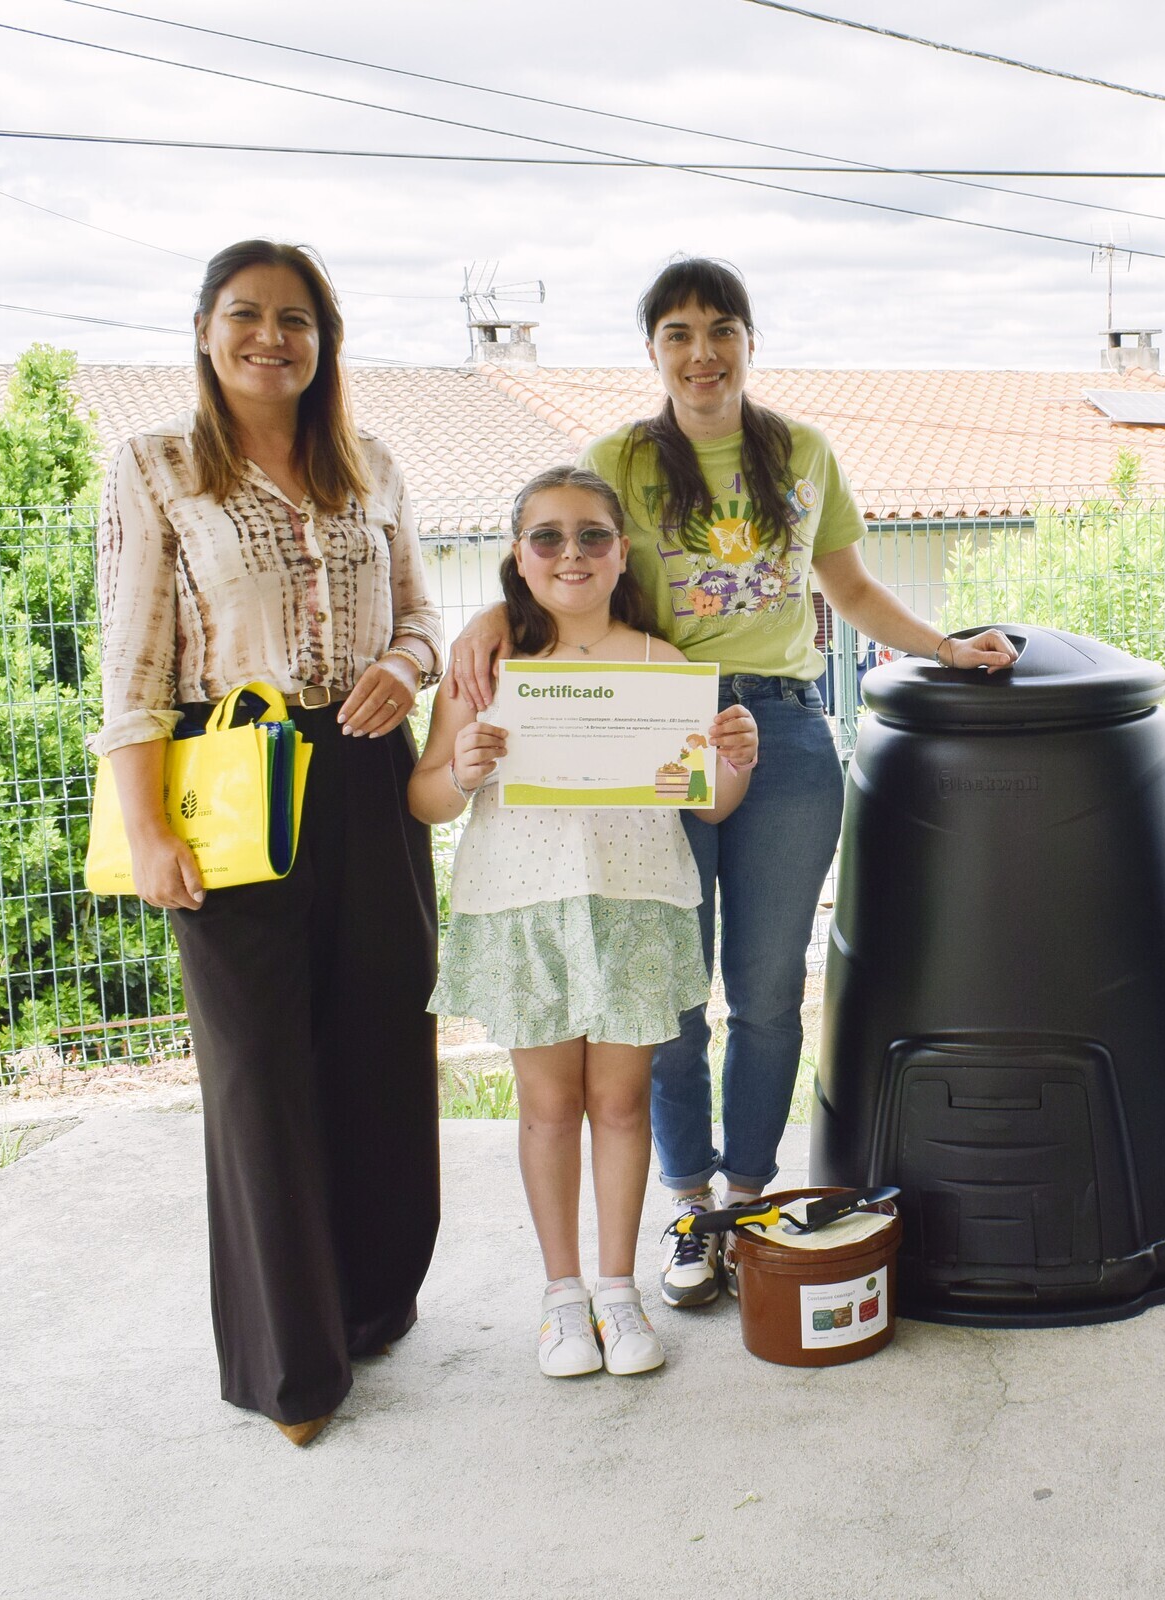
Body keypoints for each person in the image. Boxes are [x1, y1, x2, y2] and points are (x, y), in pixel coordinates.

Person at [447, 258, 1015, 1308]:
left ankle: (747, 1200)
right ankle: (687, 1202)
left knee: (764, 989)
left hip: (788, 731)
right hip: (662, 721)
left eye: (720, 329)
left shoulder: (803, 451)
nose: (701, 351)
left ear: (750, 342)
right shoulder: (619, 454)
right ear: (653, 350)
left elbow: (846, 583)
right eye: (677, 332)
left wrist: (943, 644)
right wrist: (488, 616)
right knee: (667, 983)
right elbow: (564, 553)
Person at [94, 240, 444, 1446]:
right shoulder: (155, 470)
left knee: (382, 1039)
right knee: (260, 1072)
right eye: (246, 315)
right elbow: (132, 665)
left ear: (322, 339)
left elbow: (421, 609)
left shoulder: (373, 463)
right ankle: (290, 1371)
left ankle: (372, 1301)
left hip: (364, 774)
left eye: (296, 318)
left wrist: (406, 667)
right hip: (229, 777)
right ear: (204, 331)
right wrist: (146, 831)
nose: (271, 338)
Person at [413, 467, 758, 1377]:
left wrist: (736, 762)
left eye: (593, 536)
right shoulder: (484, 669)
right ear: (517, 559)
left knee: (619, 1102)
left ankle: (618, 1290)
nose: (573, 554)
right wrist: (468, 769)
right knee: (549, 1106)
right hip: (525, 909)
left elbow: (709, 807)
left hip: (634, 905)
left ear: (622, 553)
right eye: (549, 537)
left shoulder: (664, 667)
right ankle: (561, 1297)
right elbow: (426, 800)